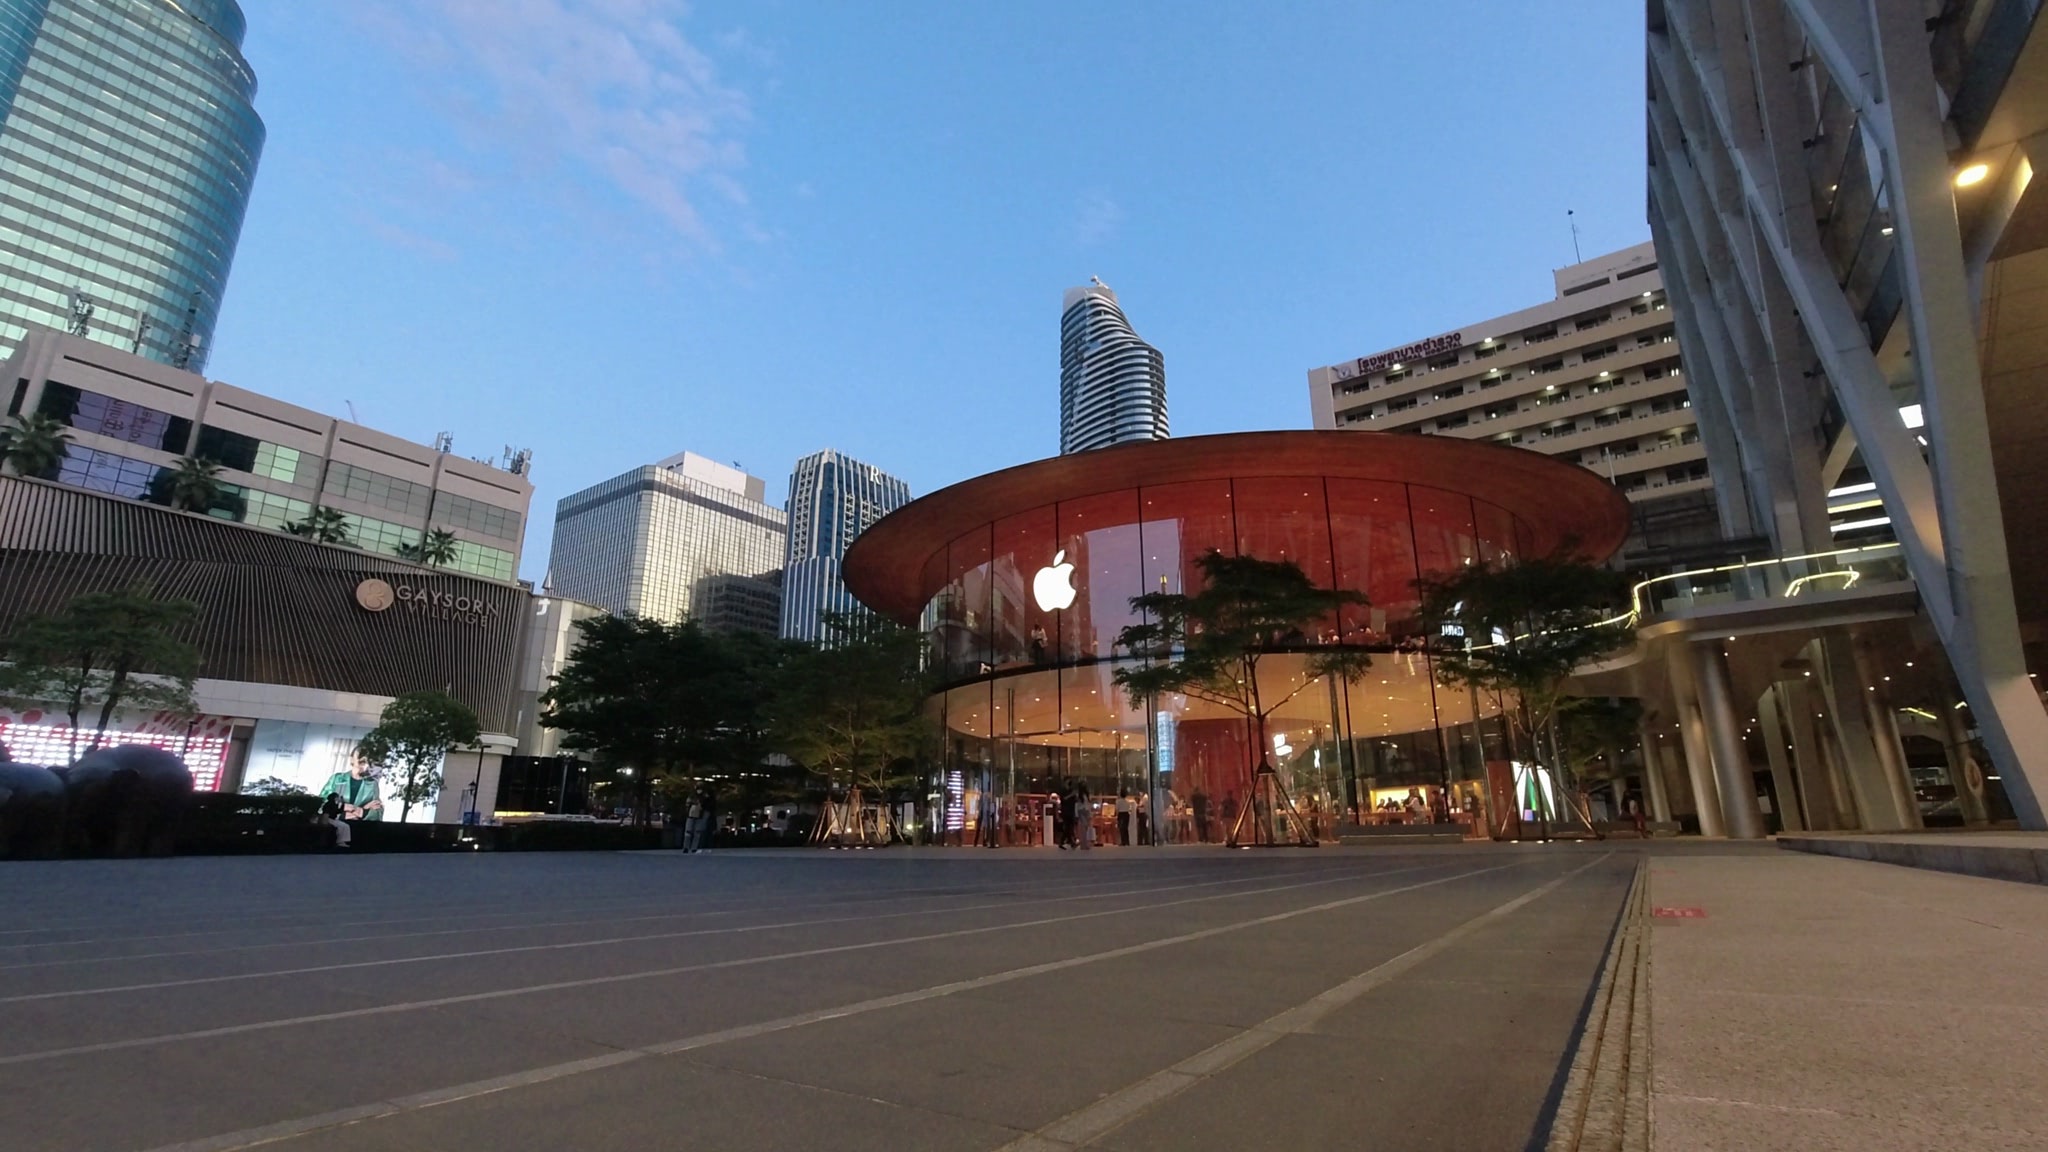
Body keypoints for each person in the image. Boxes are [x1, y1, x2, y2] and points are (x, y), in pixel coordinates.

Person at [318, 751, 384, 822]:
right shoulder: (337, 778)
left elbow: (378, 813)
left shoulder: (372, 784)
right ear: (352, 759)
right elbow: (320, 804)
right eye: (361, 759)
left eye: (367, 760)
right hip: (333, 826)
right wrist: (342, 812)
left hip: (359, 828)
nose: (364, 763)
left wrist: (361, 811)